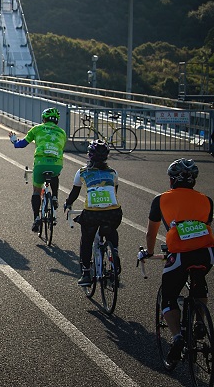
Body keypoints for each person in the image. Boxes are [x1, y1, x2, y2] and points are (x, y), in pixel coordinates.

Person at [138, 158, 214, 366]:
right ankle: (199, 322)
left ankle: (178, 338)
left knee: (169, 295)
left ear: (171, 180)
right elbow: (202, 225)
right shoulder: (207, 200)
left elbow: (151, 232)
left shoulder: (160, 200)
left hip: (180, 253)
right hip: (207, 253)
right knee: (199, 282)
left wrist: (149, 252)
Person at [63, 140, 122, 287]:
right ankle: (114, 255)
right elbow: (114, 192)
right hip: (114, 213)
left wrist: (68, 203)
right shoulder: (113, 172)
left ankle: (86, 273)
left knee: (87, 240)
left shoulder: (82, 172)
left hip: (92, 214)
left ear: (89, 156)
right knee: (110, 230)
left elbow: (74, 193)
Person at [9, 107, 67, 232]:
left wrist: (14, 141)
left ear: (43, 119)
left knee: (36, 191)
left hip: (40, 163)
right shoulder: (62, 132)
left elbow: (22, 144)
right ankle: (55, 197)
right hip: (56, 163)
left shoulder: (37, 128)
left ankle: (36, 218)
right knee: (55, 175)